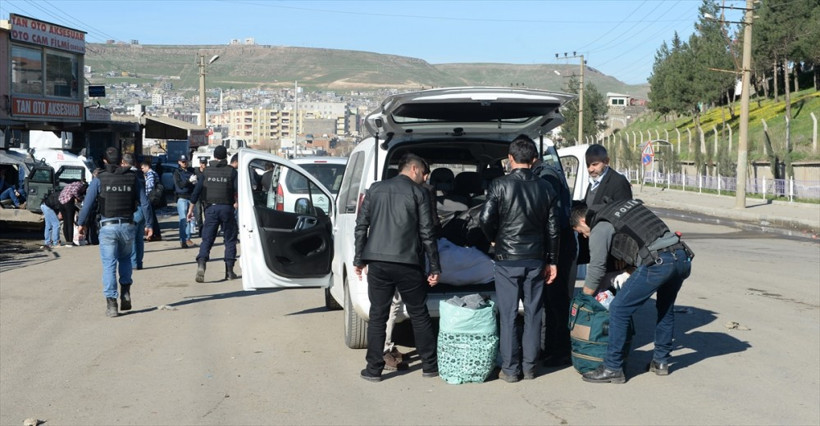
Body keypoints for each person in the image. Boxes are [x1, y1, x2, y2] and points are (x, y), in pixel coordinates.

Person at [570, 200, 693, 384]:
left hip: (659, 262)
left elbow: (596, 267)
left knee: (619, 309)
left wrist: (585, 297)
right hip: (681, 256)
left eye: (581, 233)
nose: (585, 237)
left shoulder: (599, 226)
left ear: (581, 222)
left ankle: (612, 367)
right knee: (665, 308)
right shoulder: (618, 210)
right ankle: (661, 362)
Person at [478, 135, 560, 382]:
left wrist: (494, 238)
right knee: (534, 313)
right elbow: (553, 228)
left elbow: (485, 219)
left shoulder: (499, 185)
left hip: (506, 259)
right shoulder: (547, 187)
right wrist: (553, 260)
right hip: (536, 259)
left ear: (510, 158)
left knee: (509, 314)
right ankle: (530, 367)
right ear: (534, 160)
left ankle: (511, 370)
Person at [355, 153, 441, 382]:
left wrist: (359, 259)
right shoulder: (419, 193)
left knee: (377, 316)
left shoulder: (375, 189)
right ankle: (429, 366)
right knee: (419, 314)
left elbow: (361, 225)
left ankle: (373, 370)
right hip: (409, 263)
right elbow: (427, 232)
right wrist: (434, 266)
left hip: (378, 263)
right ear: (413, 169)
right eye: (424, 173)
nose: (425, 178)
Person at [77, 147, 153, 317]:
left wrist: (81, 223)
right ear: (121, 161)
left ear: (104, 161)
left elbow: (87, 204)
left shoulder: (99, 179)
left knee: (109, 265)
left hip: (108, 226)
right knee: (126, 259)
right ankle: (125, 291)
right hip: (127, 226)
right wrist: (149, 224)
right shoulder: (133, 178)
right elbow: (145, 203)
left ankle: (112, 305)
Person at [533, 158, 577, 367]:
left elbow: (554, 217)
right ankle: (550, 349)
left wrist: (551, 257)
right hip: (558, 244)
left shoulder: (546, 176)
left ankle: (561, 351)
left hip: (559, 246)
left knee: (557, 302)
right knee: (551, 303)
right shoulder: (546, 172)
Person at [187, 145, 239, 282]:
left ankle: (202, 263)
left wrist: (190, 209)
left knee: (207, 239)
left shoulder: (206, 172)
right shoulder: (232, 172)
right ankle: (229, 271)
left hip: (211, 209)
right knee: (229, 240)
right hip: (227, 209)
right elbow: (238, 190)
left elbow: (197, 191)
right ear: (226, 157)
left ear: (214, 157)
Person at [577, 144, 633, 264]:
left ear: (606, 161)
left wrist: (622, 254)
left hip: (611, 249)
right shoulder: (593, 182)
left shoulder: (618, 182)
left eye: (594, 164)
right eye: (588, 165)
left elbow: (624, 217)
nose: (590, 169)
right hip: (595, 245)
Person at [123, 154, 146, 270]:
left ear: (124, 163)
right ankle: (139, 262)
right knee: (139, 239)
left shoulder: (129, 175)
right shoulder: (141, 174)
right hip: (142, 209)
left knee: (131, 240)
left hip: (134, 209)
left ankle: (133, 263)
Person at [173, 154, 197, 249]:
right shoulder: (176, 172)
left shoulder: (191, 171)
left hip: (190, 198)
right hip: (182, 198)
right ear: (179, 162)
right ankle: (183, 240)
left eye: (186, 161)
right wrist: (189, 181)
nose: (185, 163)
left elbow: (195, 183)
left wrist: (195, 182)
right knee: (183, 220)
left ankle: (187, 238)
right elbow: (180, 185)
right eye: (183, 162)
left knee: (189, 219)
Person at [58, 180, 87, 247]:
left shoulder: (69, 184)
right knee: (70, 222)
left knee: (65, 222)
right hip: (68, 202)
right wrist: (80, 198)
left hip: (61, 203)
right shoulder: (79, 185)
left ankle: (67, 241)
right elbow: (75, 191)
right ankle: (70, 242)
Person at [140, 159, 163, 241]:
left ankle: (153, 234)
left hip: (150, 197)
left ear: (147, 167)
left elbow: (149, 185)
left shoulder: (150, 173)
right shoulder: (154, 173)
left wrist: (145, 195)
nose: (142, 170)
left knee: (150, 216)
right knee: (152, 216)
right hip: (154, 197)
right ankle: (156, 234)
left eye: (142, 168)